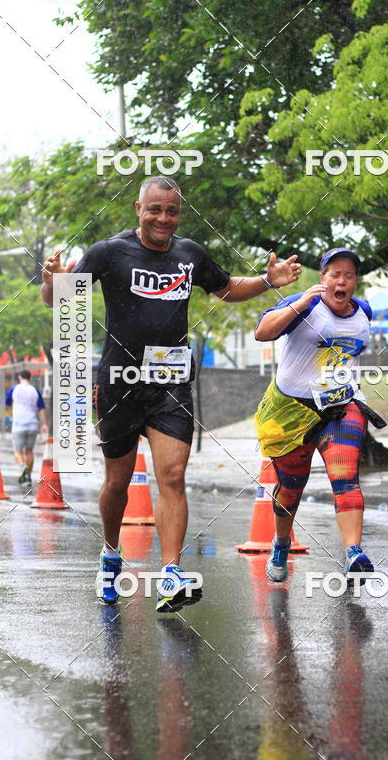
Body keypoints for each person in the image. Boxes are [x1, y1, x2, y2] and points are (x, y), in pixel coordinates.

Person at [41, 175, 301, 610]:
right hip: (119, 382)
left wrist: (268, 280)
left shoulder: (189, 253)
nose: (164, 218)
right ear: (139, 210)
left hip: (170, 381)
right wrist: (53, 281)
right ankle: (110, 553)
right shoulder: (109, 252)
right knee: (118, 484)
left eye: (172, 211)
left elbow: (226, 288)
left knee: (174, 476)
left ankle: (170, 574)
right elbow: (59, 300)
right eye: (155, 209)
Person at [254, 247, 375, 585]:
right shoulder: (305, 305)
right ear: (322, 279)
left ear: (355, 282)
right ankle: (281, 543)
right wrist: (300, 303)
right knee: (291, 487)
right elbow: (262, 332)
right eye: (334, 274)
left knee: (345, 475)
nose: (342, 281)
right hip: (291, 412)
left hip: (339, 406)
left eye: (349, 276)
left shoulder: (364, 311)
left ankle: (354, 553)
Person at [5, 371, 48, 485]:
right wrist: (44, 424)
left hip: (18, 425)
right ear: (30, 378)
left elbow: (7, 402)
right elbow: (41, 409)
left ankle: (23, 467)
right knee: (29, 451)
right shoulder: (35, 391)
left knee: (18, 452)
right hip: (32, 425)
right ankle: (28, 476)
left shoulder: (14, 389)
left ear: (19, 377)